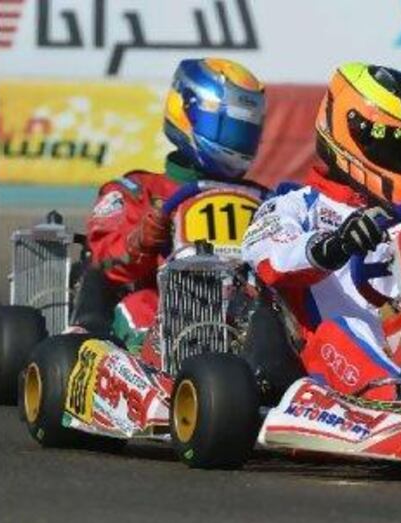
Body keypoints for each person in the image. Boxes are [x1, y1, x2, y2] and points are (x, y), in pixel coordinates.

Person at [241, 62, 401, 400]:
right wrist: (336, 244)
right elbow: (273, 262)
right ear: (352, 134)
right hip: (320, 359)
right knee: (350, 327)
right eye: (397, 148)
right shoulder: (294, 205)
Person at [80, 58, 267, 354]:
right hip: (164, 309)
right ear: (186, 112)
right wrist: (141, 239)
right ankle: (150, 372)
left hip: (244, 313)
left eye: (244, 131)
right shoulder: (137, 190)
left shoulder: (263, 199)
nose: (237, 142)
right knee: (141, 307)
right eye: (229, 128)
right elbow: (107, 263)